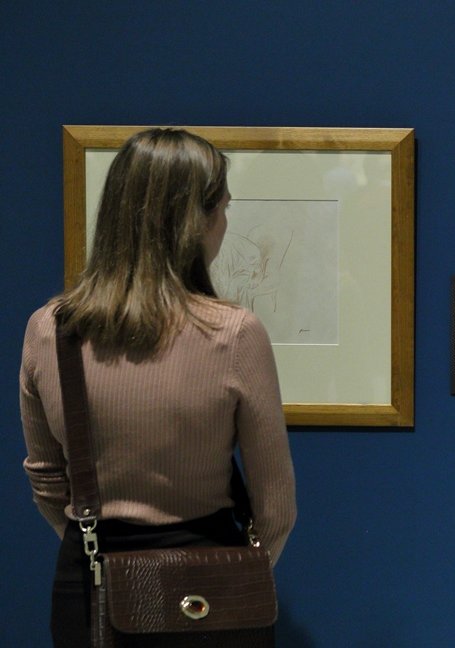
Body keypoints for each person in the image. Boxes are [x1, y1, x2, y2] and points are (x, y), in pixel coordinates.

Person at [19, 128, 297, 645]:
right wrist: (238, 572)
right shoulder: (235, 333)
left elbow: (47, 482)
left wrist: (99, 550)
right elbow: (276, 508)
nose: (225, 225)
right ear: (198, 220)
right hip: (209, 583)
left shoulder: (49, 329)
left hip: (89, 580)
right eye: (223, 208)